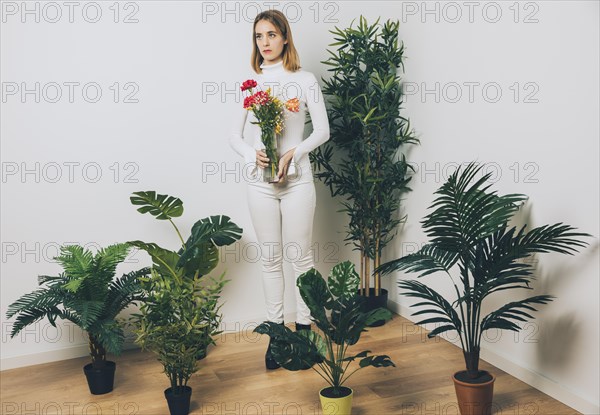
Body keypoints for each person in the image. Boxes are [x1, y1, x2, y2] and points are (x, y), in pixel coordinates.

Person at [229, 9, 330, 370]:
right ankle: (276, 338)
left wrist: (294, 151)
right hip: (260, 185)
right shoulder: (250, 81)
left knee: (300, 258)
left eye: (271, 35)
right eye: (259, 36)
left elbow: (322, 131)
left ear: (285, 38)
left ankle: (303, 333)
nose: (265, 43)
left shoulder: (304, 80)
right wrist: (251, 154)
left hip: (297, 180)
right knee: (270, 258)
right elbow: (234, 135)